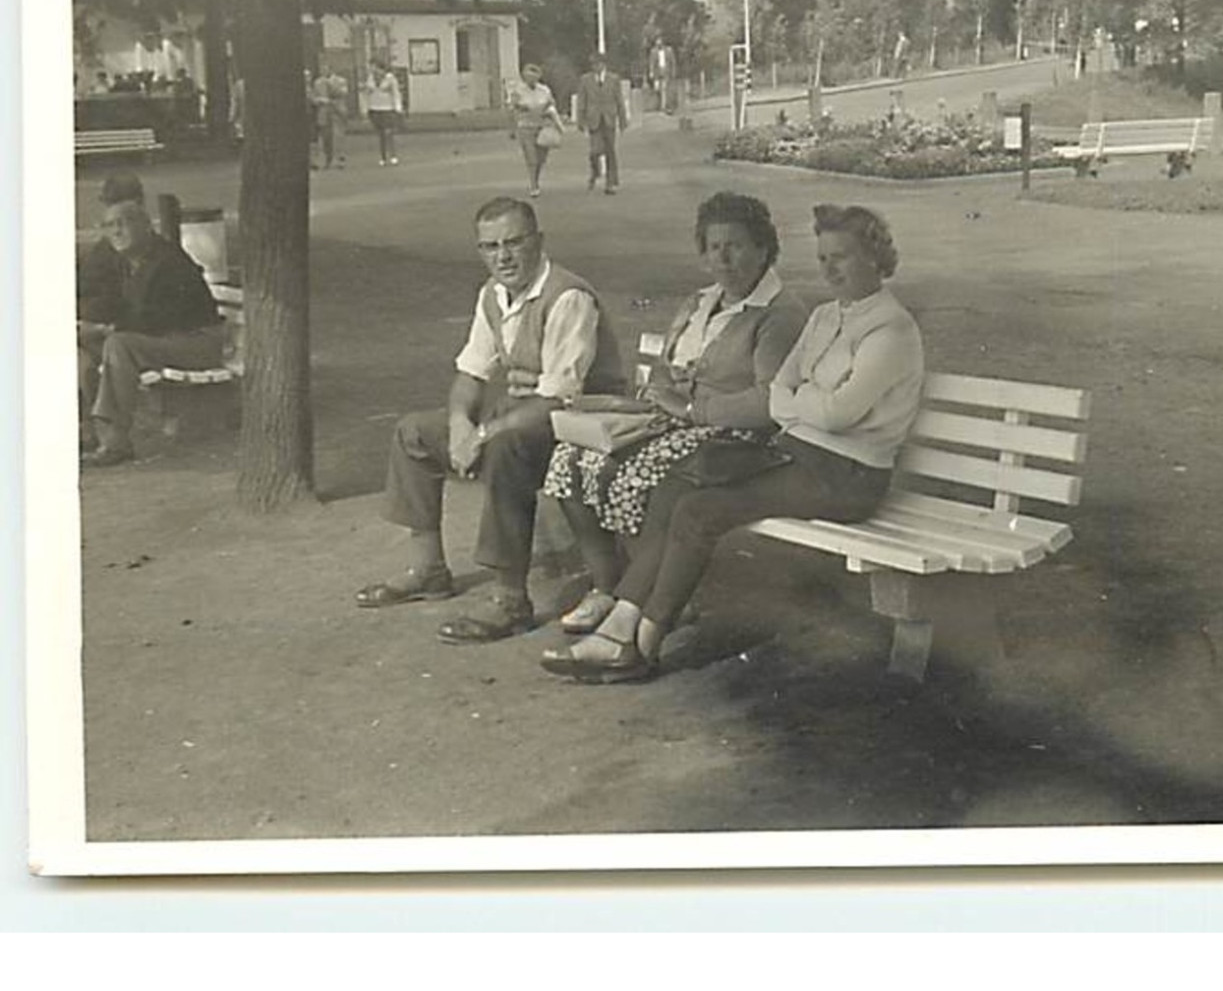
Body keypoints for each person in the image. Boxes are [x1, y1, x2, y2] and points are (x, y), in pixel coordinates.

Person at [541, 203, 925, 683]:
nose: (830, 269)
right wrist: (804, 399)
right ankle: (623, 622)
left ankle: (640, 641)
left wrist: (797, 400)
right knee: (677, 489)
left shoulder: (891, 329)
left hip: (848, 476)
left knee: (702, 512)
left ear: (876, 257)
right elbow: (788, 390)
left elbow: (835, 412)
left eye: (842, 256)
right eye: (824, 258)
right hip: (799, 455)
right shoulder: (827, 316)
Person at [354, 197, 627, 645]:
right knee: (414, 432)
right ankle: (428, 570)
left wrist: (483, 434)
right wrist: (462, 423)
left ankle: (510, 600)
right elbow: (470, 373)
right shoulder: (492, 295)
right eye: (490, 246)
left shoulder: (568, 296)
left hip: (582, 424)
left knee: (505, 446)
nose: (503, 256)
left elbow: (559, 397)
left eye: (514, 243)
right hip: (524, 418)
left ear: (538, 242)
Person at [540, 191, 807, 636]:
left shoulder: (778, 315)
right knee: (570, 461)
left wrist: (691, 407)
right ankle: (608, 586)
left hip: (737, 438)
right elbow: (664, 369)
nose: (723, 257)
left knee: (642, 472)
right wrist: (664, 391)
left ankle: (642, 595)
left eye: (736, 245)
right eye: (713, 246)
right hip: (676, 424)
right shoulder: (700, 302)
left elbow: (769, 403)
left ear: (763, 248)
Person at [78, 197, 225, 467]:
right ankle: (87, 429)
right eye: (109, 225)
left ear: (146, 226)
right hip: (162, 341)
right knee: (80, 349)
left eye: (123, 223)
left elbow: (155, 318)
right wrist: (84, 324)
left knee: (118, 345)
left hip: (197, 342)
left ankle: (115, 442)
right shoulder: (125, 261)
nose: (116, 231)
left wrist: (100, 328)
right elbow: (108, 301)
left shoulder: (167, 260)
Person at [508, 63, 566, 198]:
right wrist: (512, 128)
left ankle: (536, 178)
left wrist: (555, 122)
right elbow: (512, 109)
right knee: (531, 158)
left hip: (542, 127)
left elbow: (552, 106)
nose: (531, 80)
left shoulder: (544, 90)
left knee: (541, 158)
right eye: (528, 77)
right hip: (525, 127)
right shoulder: (518, 91)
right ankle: (534, 185)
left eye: (534, 77)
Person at [577, 51, 627, 194]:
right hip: (594, 119)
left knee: (610, 151)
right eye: (593, 64)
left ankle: (611, 183)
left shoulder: (613, 79)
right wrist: (580, 120)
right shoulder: (585, 80)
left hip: (609, 118)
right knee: (595, 151)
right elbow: (582, 101)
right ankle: (595, 170)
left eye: (598, 64)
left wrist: (622, 120)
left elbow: (619, 100)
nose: (595, 67)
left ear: (604, 64)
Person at [364, 59, 404, 166]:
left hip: (387, 108)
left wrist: (398, 108)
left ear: (380, 67)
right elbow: (367, 93)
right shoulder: (370, 78)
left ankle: (393, 155)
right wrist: (367, 108)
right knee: (380, 134)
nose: (372, 69)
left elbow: (396, 93)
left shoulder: (390, 78)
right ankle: (383, 157)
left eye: (373, 66)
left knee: (388, 132)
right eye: (371, 67)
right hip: (375, 108)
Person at [311, 66, 350, 170]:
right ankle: (327, 159)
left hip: (337, 111)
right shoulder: (317, 82)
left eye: (325, 69)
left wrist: (330, 84)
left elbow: (343, 93)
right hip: (324, 111)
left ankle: (340, 159)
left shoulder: (341, 81)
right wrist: (319, 100)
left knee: (338, 136)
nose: (323, 71)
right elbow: (313, 97)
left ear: (331, 70)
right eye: (322, 70)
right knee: (325, 137)